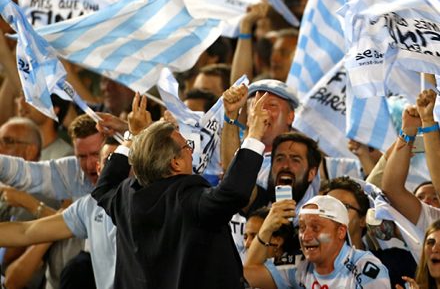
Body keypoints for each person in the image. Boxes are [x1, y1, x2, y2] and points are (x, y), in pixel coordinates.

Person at [92, 91, 271, 288]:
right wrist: (254, 134)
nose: (192, 151)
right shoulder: (188, 200)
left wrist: (132, 136)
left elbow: (104, 186)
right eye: (187, 147)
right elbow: (233, 193)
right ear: (175, 163)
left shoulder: (125, 198)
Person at [0, 139, 121, 289]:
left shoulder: (149, 206)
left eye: (124, 161)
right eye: (111, 161)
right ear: (99, 168)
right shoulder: (89, 207)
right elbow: (25, 232)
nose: (117, 168)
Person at [244, 195, 390, 289]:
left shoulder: (365, 268)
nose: (305, 236)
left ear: (340, 232)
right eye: (302, 227)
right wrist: (266, 230)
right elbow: (248, 275)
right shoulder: (299, 265)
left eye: (315, 227)